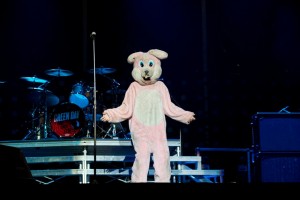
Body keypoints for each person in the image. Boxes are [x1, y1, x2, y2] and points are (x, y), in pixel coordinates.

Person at [101, 49, 195, 182]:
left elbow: (169, 107)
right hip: (140, 132)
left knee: (162, 158)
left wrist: (185, 115)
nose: (146, 70)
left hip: (158, 132)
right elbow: (126, 108)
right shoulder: (134, 87)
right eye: (142, 66)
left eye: (150, 65)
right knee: (142, 159)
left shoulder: (160, 86)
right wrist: (110, 114)